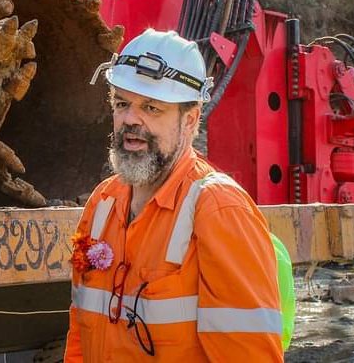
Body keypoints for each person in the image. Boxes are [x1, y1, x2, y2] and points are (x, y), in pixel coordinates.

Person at [64, 29, 284, 362]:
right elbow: (80, 334)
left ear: (190, 120)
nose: (130, 120)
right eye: (122, 104)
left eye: (152, 108)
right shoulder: (102, 203)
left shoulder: (219, 211)